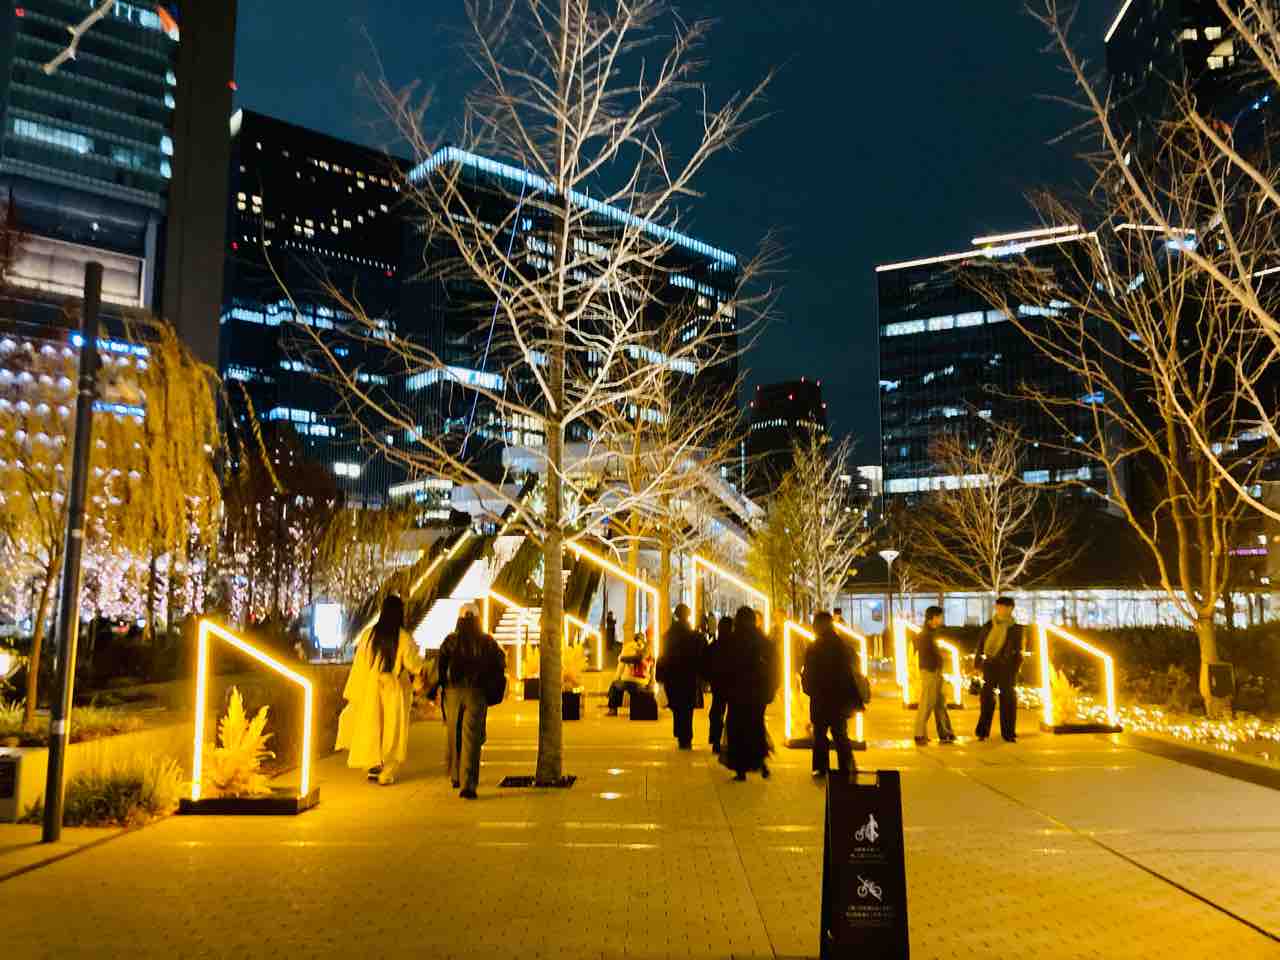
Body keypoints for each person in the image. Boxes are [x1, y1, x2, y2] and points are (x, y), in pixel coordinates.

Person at [337, 594, 424, 785]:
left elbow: (359, 664)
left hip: (371, 688)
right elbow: (414, 664)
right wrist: (421, 671)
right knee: (392, 730)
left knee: (372, 726)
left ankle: (373, 765)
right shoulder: (403, 637)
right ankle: (386, 770)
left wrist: (355, 690)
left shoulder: (368, 635)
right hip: (393, 689)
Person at [438, 605, 505, 798]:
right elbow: (499, 664)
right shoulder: (487, 641)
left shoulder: (450, 640)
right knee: (472, 737)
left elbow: (441, 667)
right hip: (477, 692)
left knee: (454, 734)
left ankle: (455, 776)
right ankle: (468, 784)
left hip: (453, 693)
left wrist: (442, 687)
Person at [802, 611, 865, 777]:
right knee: (840, 734)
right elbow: (851, 671)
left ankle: (820, 767)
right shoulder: (842, 646)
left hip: (820, 698)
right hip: (839, 698)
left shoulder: (814, 648)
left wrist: (809, 690)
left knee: (820, 734)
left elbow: (808, 674)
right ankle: (846, 766)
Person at [719, 606, 778, 781]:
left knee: (737, 727)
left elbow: (724, 666)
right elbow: (774, 665)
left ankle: (740, 768)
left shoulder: (732, 640)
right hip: (757, 691)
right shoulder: (762, 640)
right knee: (755, 725)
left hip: (737, 691)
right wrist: (771, 687)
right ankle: (760, 761)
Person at [656, 603, 706, 750]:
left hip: (672, 676)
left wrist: (659, 676)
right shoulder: (694, 636)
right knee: (687, 708)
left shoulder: (668, 636)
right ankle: (686, 737)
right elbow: (701, 656)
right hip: (689, 676)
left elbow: (662, 656)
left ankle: (681, 734)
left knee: (677, 706)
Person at [974, 596, 1024, 743]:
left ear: (1011, 609)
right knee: (986, 699)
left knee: (1008, 700)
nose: (1001, 609)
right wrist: (977, 665)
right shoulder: (988, 625)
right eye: (998, 606)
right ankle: (982, 731)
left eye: (1004, 607)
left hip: (1007, 666)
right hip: (989, 665)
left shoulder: (1016, 628)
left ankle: (1008, 733)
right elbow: (980, 646)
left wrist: (1016, 667)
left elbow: (1019, 650)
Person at [914, 605, 956, 746]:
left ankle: (946, 732)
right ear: (931, 619)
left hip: (935, 671)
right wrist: (936, 665)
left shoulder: (931, 633)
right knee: (927, 702)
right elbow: (926, 655)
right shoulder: (925, 635)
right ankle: (919, 734)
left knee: (939, 703)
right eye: (939, 617)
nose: (941, 620)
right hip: (930, 671)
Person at [703, 615, 734, 753]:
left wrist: (710, 679)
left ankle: (716, 740)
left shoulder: (713, 647)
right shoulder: (737, 648)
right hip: (733, 684)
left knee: (717, 711)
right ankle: (729, 741)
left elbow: (705, 665)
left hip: (718, 684)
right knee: (732, 713)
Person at [606, 633, 653, 714]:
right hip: (643, 682)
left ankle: (612, 709)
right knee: (618, 684)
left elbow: (636, 659)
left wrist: (621, 658)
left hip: (636, 682)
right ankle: (612, 703)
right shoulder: (648, 649)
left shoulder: (635, 648)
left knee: (615, 685)